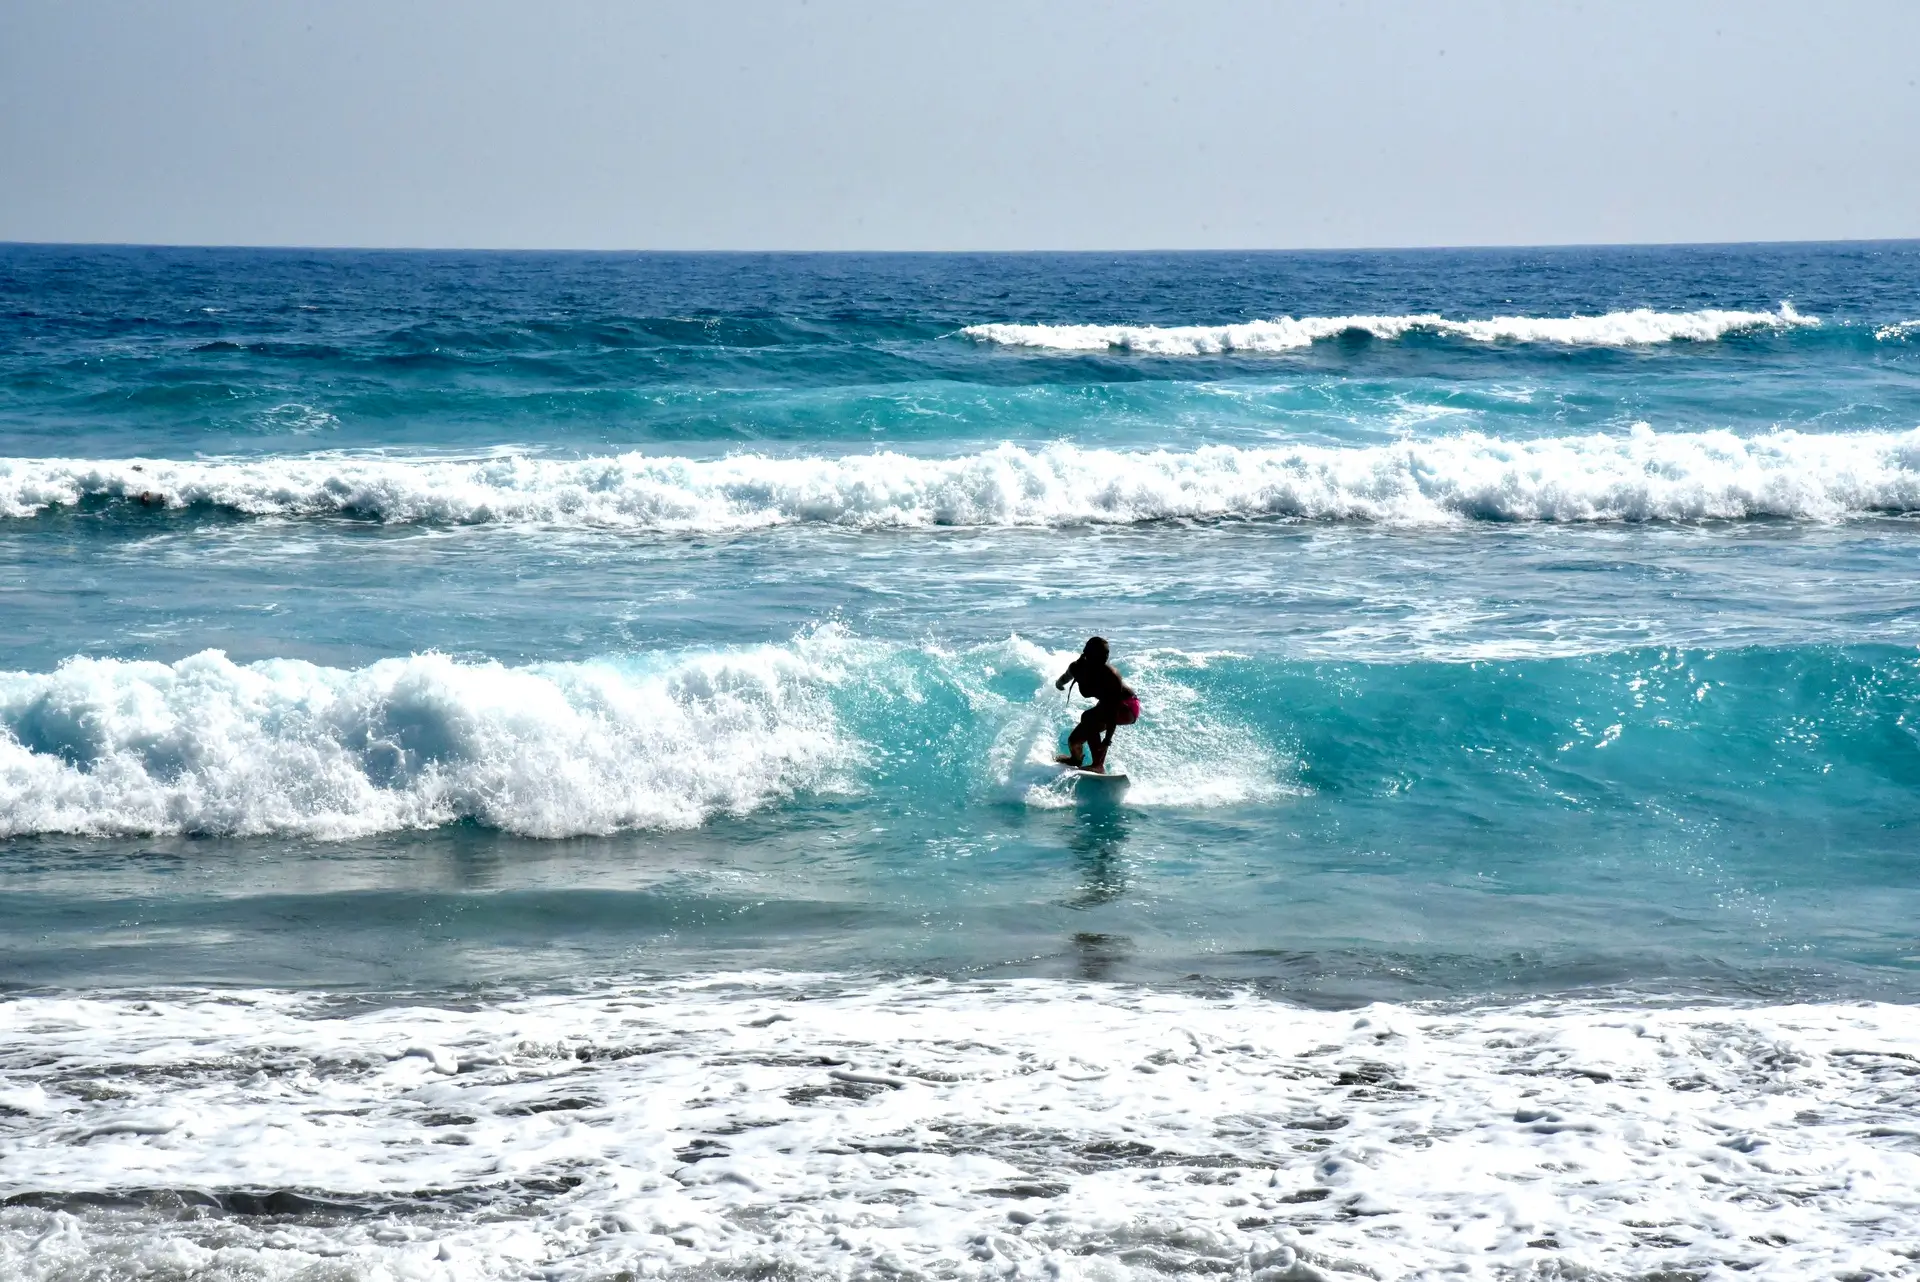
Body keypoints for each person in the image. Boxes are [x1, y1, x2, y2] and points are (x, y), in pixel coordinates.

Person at [1054, 636, 1140, 773]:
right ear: (1087, 653)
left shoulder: (1111, 675)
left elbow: (1112, 710)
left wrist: (1107, 740)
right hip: (1107, 706)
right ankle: (1075, 759)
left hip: (1126, 707)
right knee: (1074, 741)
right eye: (1101, 654)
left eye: (1107, 653)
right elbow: (1065, 678)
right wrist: (1059, 684)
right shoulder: (1076, 668)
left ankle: (1098, 765)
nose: (1105, 657)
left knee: (1088, 717)